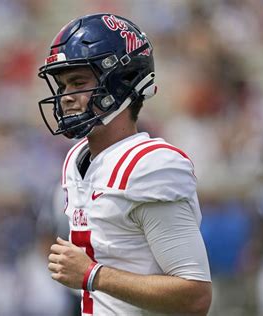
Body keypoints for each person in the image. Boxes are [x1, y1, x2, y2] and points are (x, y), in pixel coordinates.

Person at [38, 13, 212, 315]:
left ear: (120, 82)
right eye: (63, 85)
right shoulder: (78, 161)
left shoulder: (150, 167)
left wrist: (93, 275)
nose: (65, 97)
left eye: (78, 82)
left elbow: (194, 296)